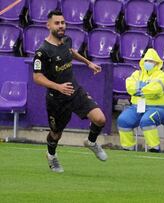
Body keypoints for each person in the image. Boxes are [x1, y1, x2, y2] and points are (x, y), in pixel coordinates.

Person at [33, 10, 108, 173]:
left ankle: (91, 142)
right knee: (55, 134)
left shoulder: (66, 40)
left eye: (63, 23)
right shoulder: (42, 51)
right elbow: (37, 77)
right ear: (48, 25)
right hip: (57, 99)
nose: (61, 26)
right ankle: (51, 156)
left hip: (74, 91)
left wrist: (88, 62)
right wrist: (58, 87)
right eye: (57, 23)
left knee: (100, 119)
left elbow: (71, 52)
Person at [117, 48, 164, 152]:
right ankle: (128, 148)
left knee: (147, 120)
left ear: (156, 63)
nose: (148, 63)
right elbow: (129, 86)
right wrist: (145, 89)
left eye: (151, 61)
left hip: (159, 109)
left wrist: (140, 89)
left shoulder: (161, 75)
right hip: (137, 108)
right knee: (123, 120)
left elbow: (155, 89)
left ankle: (154, 148)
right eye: (146, 60)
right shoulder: (137, 74)